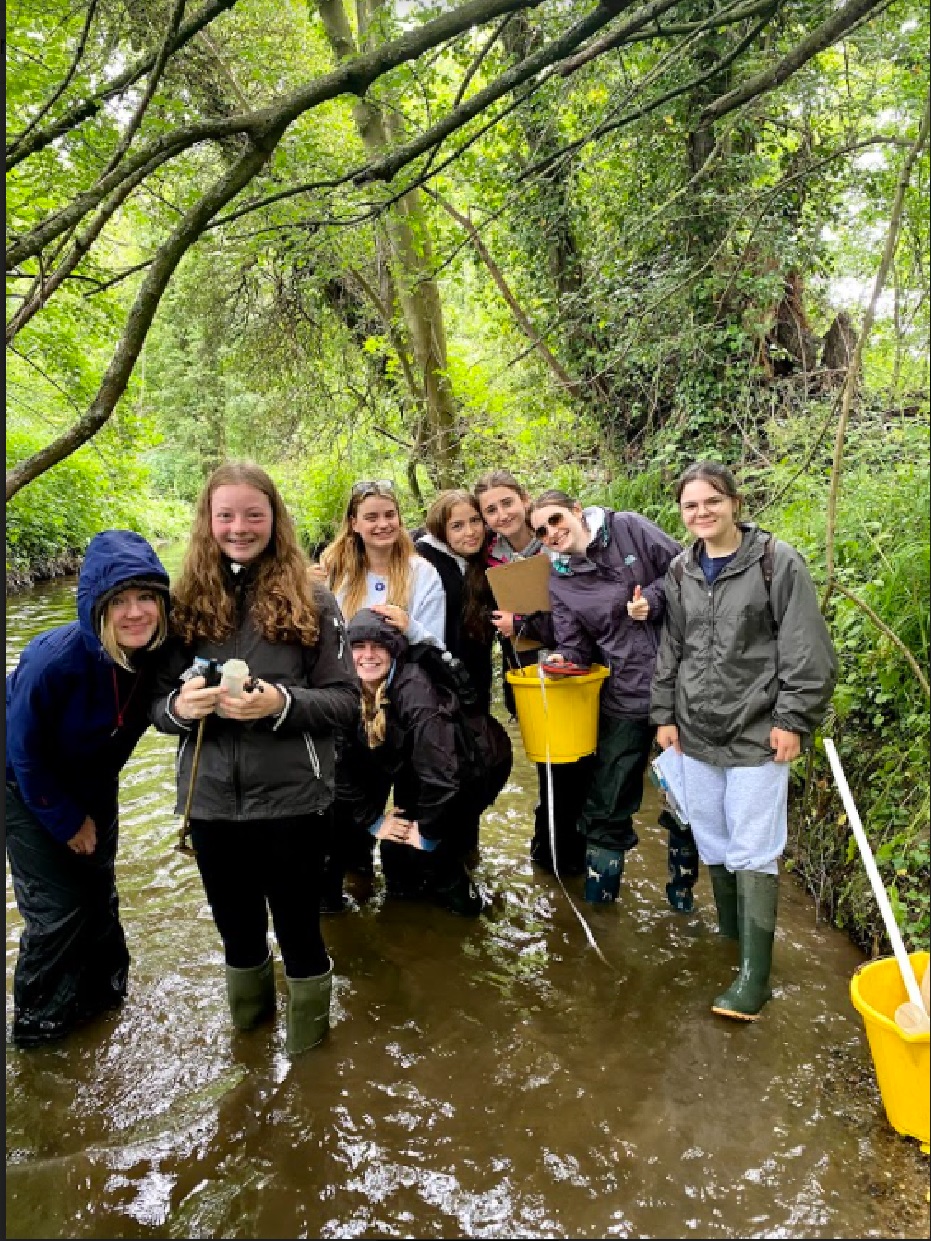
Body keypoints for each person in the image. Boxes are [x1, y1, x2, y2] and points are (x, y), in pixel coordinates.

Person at [150, 463, 359, 1055]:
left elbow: (345, 701)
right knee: (237, 934)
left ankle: (310, 1062)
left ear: (274, 519)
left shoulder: (314, 598)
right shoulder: (183, 601)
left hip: (294, 800)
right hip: (211, 803)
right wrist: (181, 707)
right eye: (226, 515)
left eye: (253, 514)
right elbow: (156, 708)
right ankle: (248, 1049)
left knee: (299, 931)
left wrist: (280, 702)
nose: (239, 527)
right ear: (207, 520)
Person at [650, 461, 838, 1020]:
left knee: (754, 848)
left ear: (734, 502)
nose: (702, 512)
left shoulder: (778, 563)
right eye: (691, 505)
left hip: (759, 730)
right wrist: (665, 715)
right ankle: (731, 941)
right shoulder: (680, 571)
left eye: (712, 501)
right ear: (681, 514)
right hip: (694, 731)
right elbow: (671, 650)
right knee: (712, 838)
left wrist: (794, 719)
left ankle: (755, 980)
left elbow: (807, 650)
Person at [5, 530, 171, 1047]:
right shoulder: (52, 661)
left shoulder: (158, 656)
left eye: (146, 597)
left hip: (95, 779)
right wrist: (66, 819)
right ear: (95, 609)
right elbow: (23, 753)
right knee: (56, 912)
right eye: (118, 601)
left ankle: (104, 1001)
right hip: (25, 784)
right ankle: (40, 1034)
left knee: (97, 894)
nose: (135, 612)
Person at [528, 488, 684, 907]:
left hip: (685, 682)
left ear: (577, 511)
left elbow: (689, 572)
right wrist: (563, 659)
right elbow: (575, 643)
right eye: (542, 531)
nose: (552, 533)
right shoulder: (559, 579)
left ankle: (683, 901)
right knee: (608, 801)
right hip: (626, 691)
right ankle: (600, 906)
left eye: (557, 520)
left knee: (689, 798)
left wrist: (652, 600)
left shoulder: (628, 528)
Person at [336, 609, 510, 916]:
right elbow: (337, 763)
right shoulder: (345, 688)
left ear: (394, 652)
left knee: (437, 857)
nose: (368, 656)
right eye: (359, 647)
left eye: (378, 647)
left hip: (479, 766)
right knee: (396, 857)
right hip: (424, 766)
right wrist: (375, 821)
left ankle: (470, 913)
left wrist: (427, 833)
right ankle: (408, 923)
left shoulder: (416, 692)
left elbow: (443, 776)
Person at [473, 469, 590, 876]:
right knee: (549, 769)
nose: (502, 514)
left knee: (578, 770)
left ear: (524, 499)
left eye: (507, 503)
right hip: (526, 678)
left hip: (579, 672)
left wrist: (521, 622)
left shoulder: (561, 539)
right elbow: (435, 540)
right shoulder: (485, 554)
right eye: (491, 509)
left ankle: (567, 855)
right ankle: (551, 857)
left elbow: (587, 617)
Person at [320, 479, 445, 647]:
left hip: (406, 671)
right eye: (371, 518)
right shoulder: (336, 573)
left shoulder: (422, 573)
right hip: (349, 671)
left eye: (390, 515)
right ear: (354, 524)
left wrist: (410, 627)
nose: (383, 524)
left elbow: (436, 645)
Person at [413, 489, 497, 714]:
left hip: (478, 679)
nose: (470, 532)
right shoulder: (421, 561)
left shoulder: (489, 557)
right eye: (457, 526)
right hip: (438, 682)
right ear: (441, 530)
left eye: (475, 521)